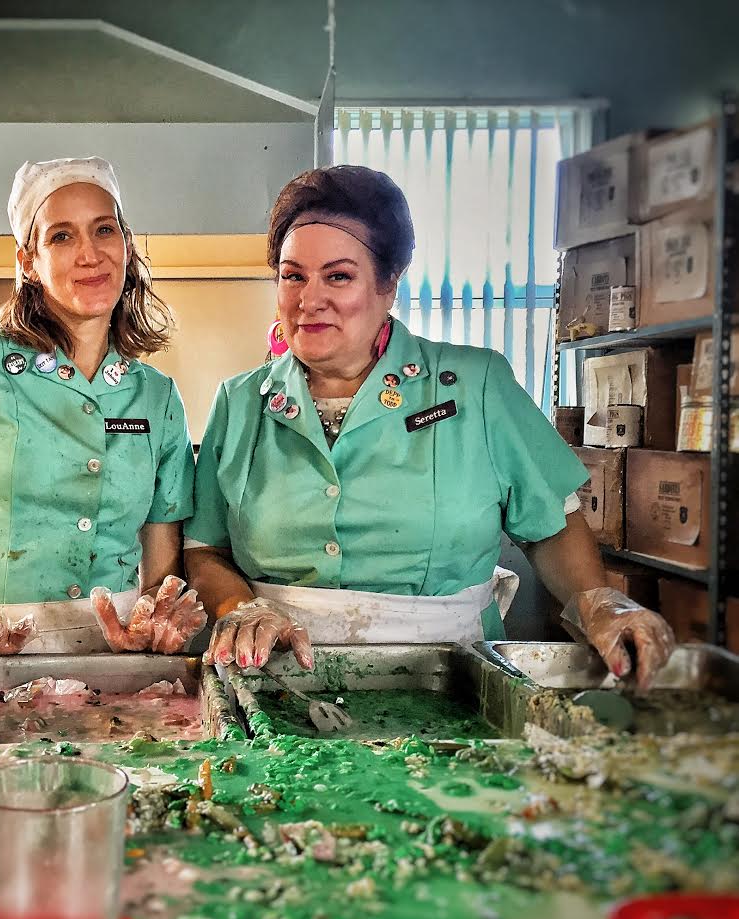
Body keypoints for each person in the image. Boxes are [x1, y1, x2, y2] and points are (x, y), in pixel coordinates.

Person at [185, 165, 674, 689]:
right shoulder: (240, 403)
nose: (309, 299)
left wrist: (599, 604)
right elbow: (205, 550)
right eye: (293, 275)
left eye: (338, 276)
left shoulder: (474, 386)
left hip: (448, 680)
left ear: (388, 284)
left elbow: (551, 524)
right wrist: (240, 606)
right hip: (274, 681)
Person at [0, 157, 205, 662]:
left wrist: (153, 624)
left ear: (127, 245)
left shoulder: (157, 398)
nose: (90, 254)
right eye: (61, 237)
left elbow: (161, 577)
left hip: (112, 670)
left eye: (104, 230)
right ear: (28, 261)